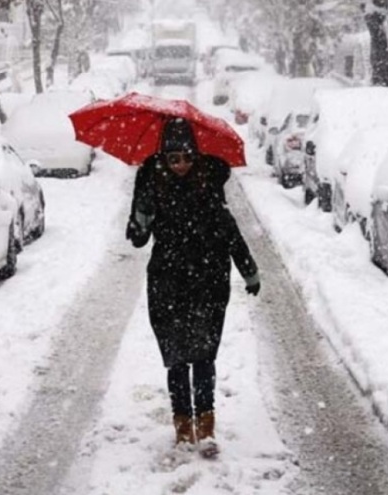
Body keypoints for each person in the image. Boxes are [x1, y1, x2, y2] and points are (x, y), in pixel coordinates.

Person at [126, 118, 260, 458]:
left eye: (186, 157)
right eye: (173, 159)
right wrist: (140, 217)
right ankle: (182, 425)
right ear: (165, 159)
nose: (181, 164)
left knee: (203, 356)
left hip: (208, 282)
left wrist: (250, 271)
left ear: (195, 155)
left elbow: (230, 231)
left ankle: (206, 425)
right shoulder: (152, 184)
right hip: (167, 283)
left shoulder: (209, 184)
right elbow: (139, 239)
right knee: (176, 358)